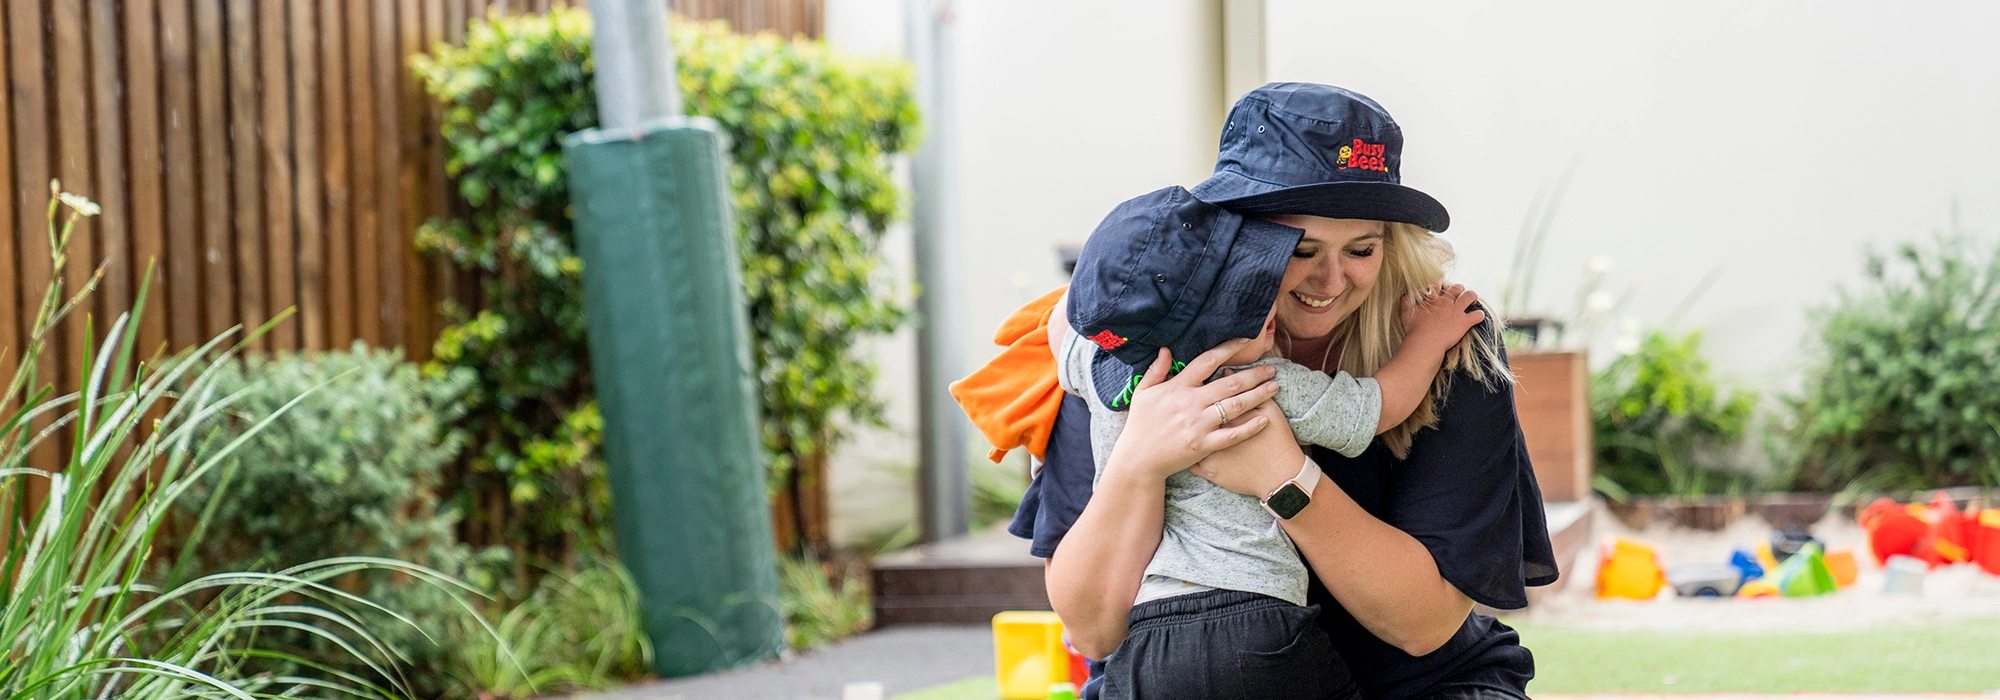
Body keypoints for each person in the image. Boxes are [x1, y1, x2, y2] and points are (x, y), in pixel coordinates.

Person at [1018, 83, 1559, 700]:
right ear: (1236, 243)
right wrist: (1139, 461)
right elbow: (1091, 630)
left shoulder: (1449, 340)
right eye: (1300, 251)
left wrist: (1283, 475)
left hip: (1415, 684)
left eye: (1362, 249)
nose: (1330, 281)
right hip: (1179, 675)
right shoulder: (1137, 342)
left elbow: (1423, 625)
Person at [1045, 183, 1487, 698]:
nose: (1267, 307)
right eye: (1246, 303)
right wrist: (1428, 339)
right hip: (1255, 621)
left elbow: (1063, 321)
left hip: (1149, 635)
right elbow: (1381, 406)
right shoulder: (1260, 382)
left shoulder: (1099, 367)